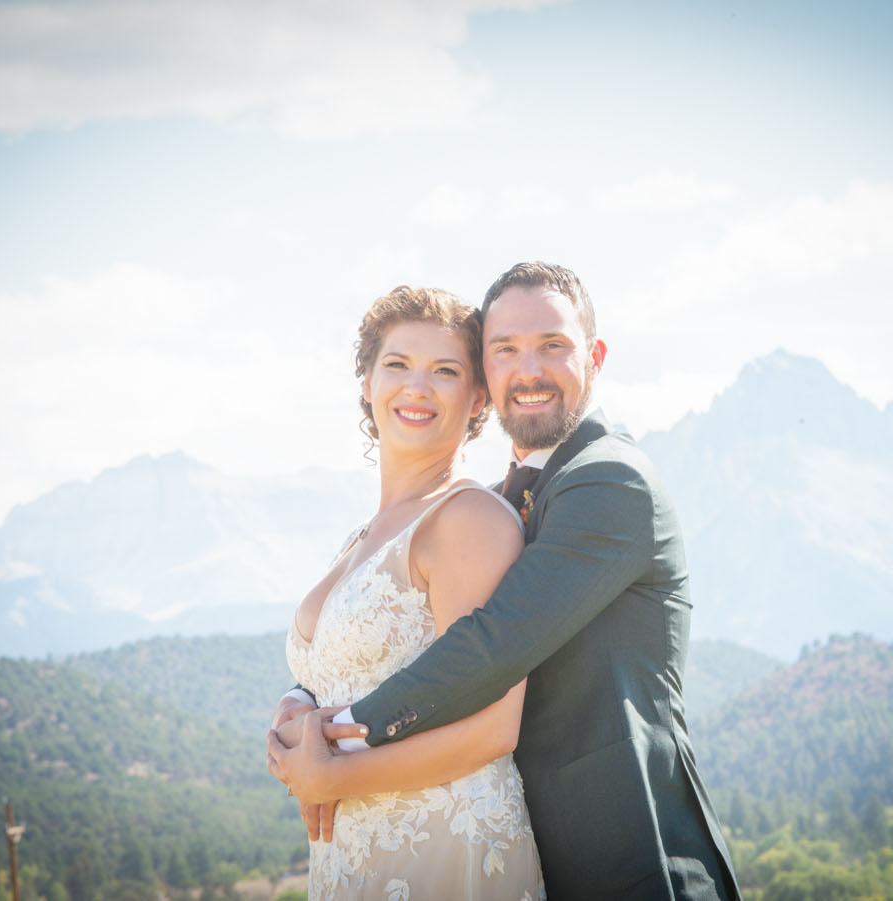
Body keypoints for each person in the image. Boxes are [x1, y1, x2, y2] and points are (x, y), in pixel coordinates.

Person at [272, 261, 741, 900]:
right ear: (489, 379)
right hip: (521, 844)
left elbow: (489, 646)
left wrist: (336, 746)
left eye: (553, 346)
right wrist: (301, 700)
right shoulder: (496, 500)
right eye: (505, 350)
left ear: (595, 357)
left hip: (625, 852)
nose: (529, 370)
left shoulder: (611, 481)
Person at [277, 285, 544, 899]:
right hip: (353, 854)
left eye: (444, 371)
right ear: (368, 382)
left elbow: (493, 731)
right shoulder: (363, 534)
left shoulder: (469, 520)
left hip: (443, 847)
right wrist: (295, 705)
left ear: (478, 398)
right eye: (397, 364)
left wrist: (330, 779)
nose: (416, 387)